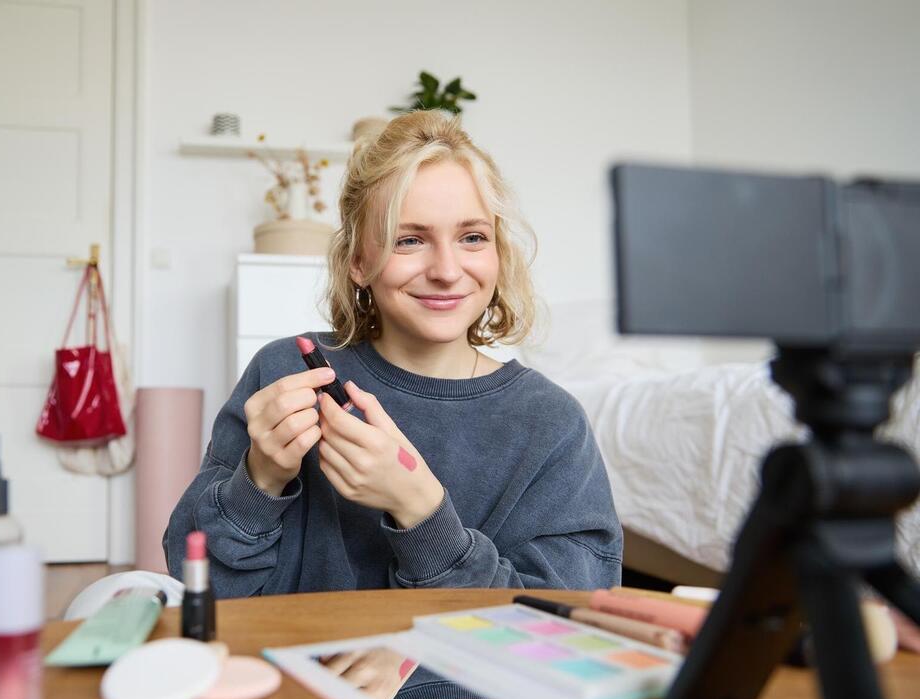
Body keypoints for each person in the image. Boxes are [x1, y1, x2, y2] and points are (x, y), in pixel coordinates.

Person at [163, 111, 621, 596]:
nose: (447, 270)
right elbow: (198, 583)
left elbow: (560, 626)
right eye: (410, 240)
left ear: (498, 255)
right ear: (359, 261)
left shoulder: (551, 423)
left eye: (472, 237)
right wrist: (260, 479)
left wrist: (421, 510)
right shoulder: (284, 374)